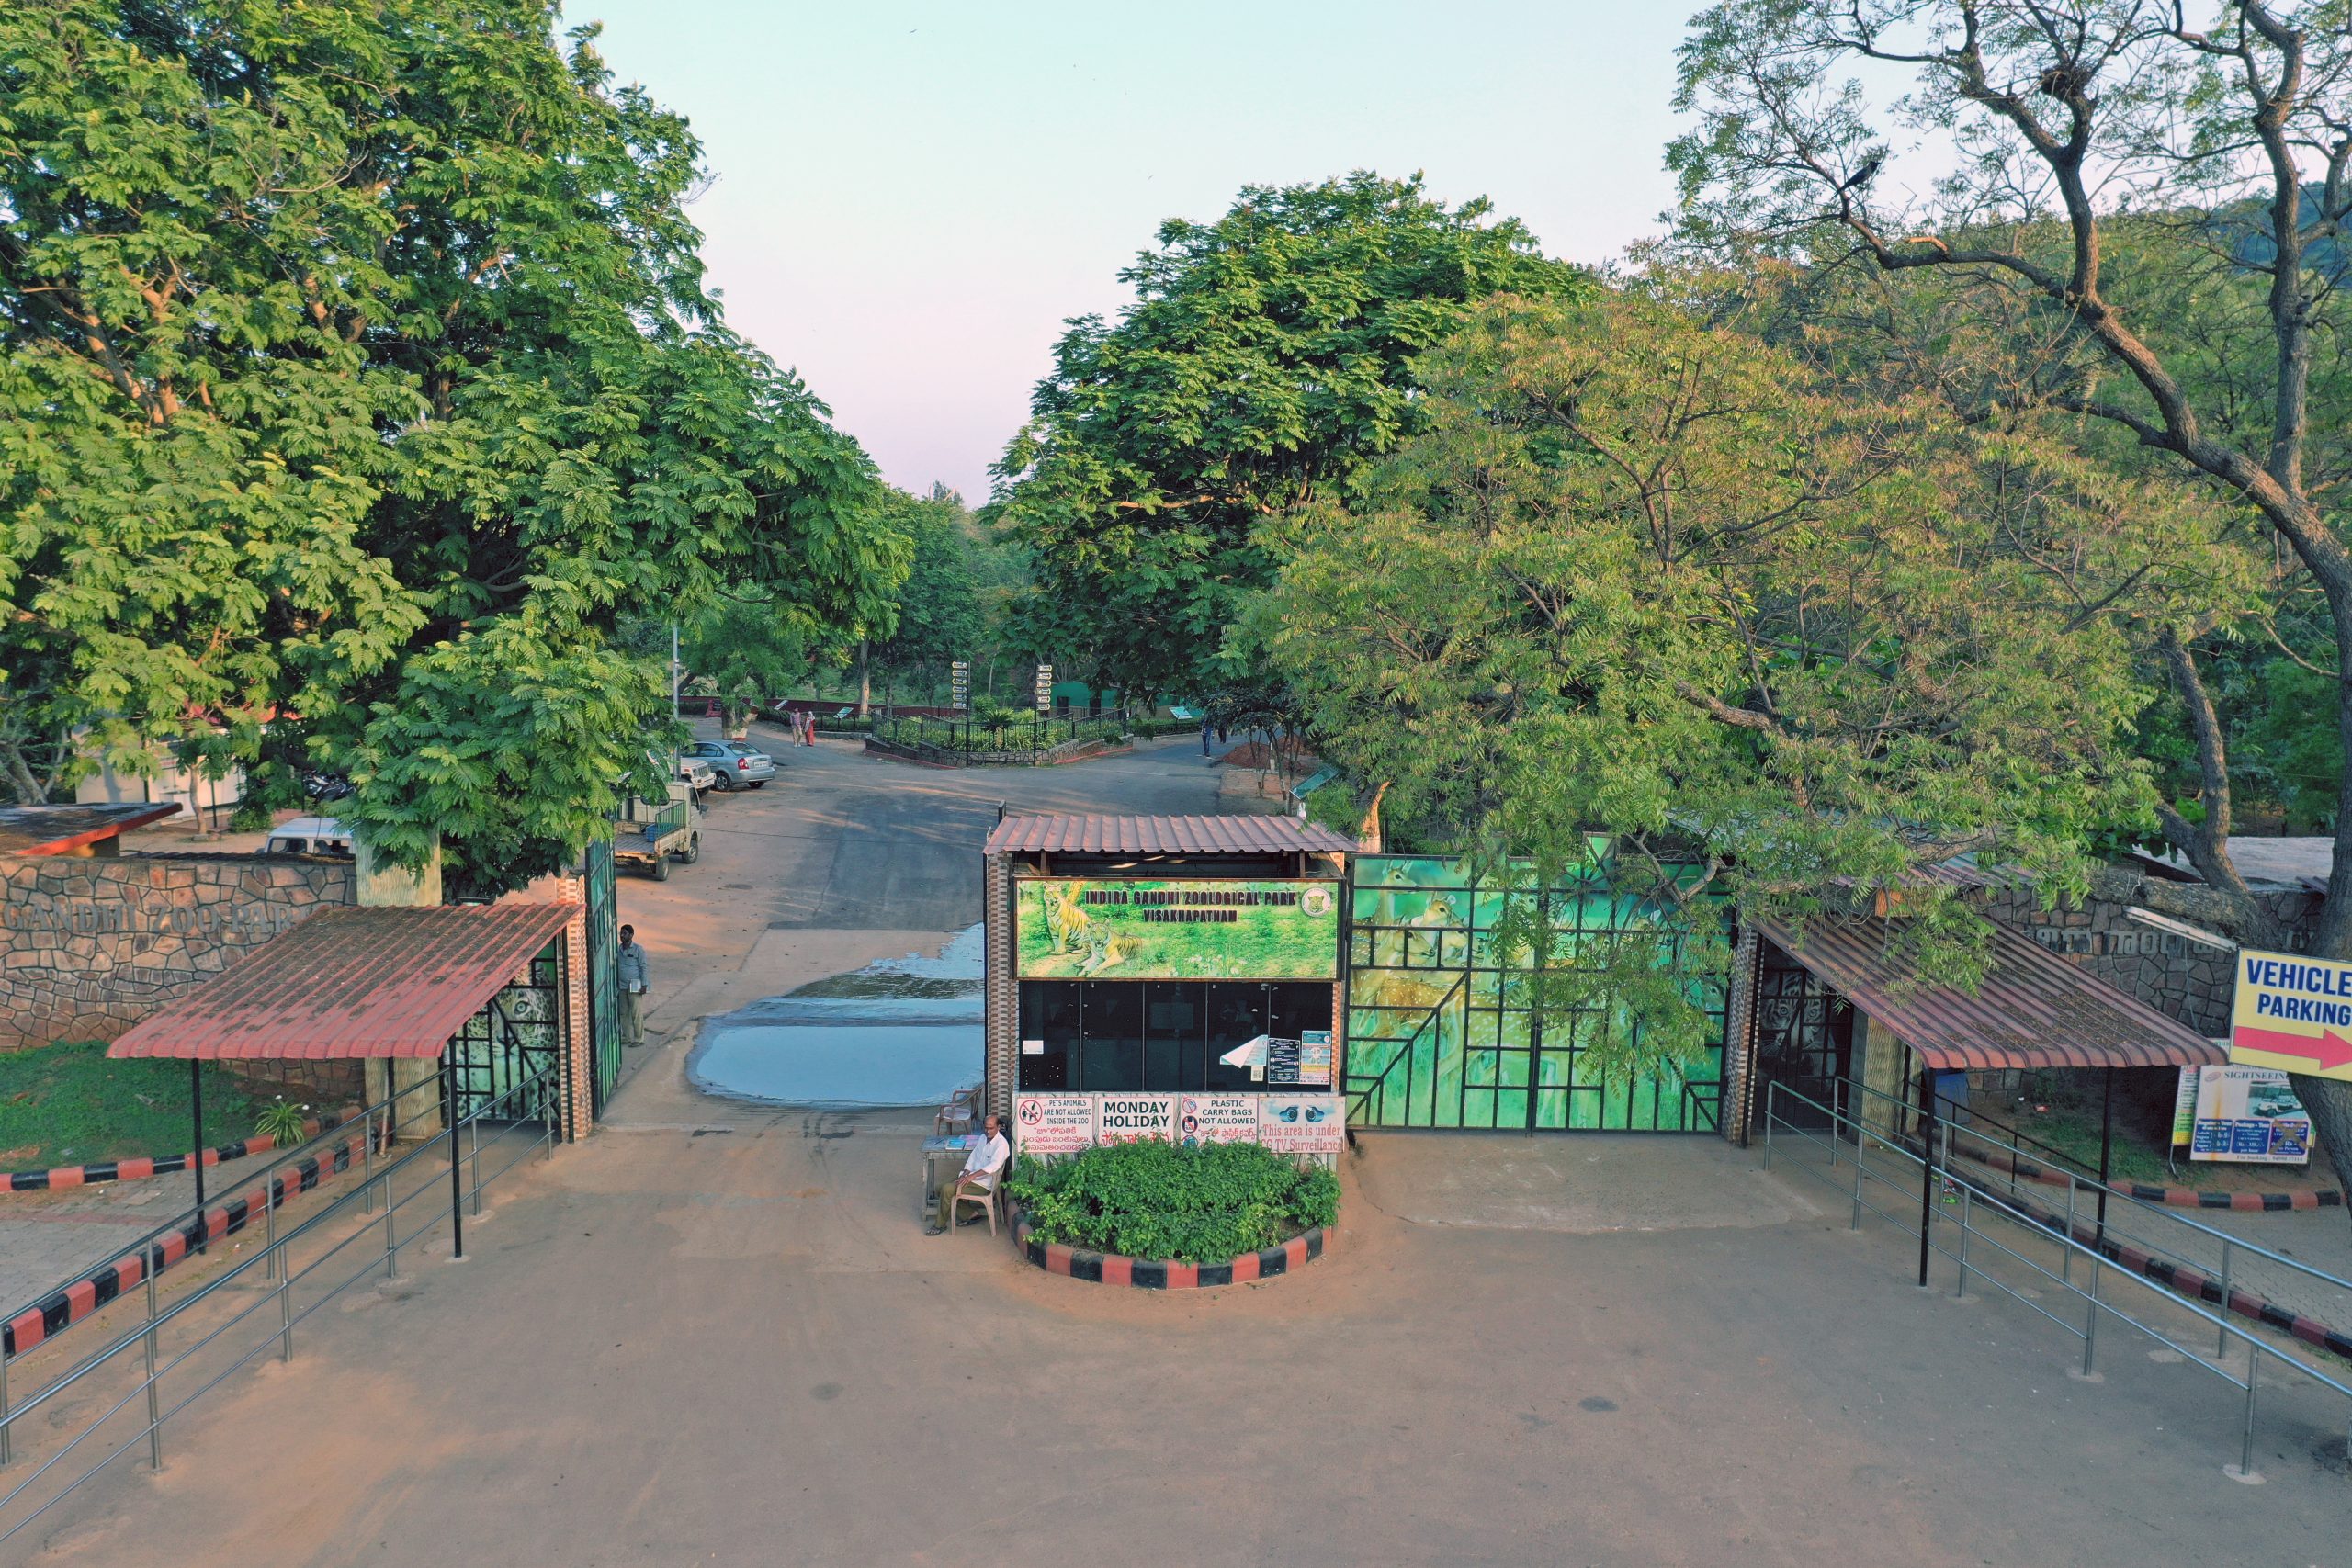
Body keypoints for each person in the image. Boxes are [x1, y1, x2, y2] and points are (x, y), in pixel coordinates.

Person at [930, 1113, 1009, 1234]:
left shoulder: (1001, 1145)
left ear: (998, 1127)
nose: (988, 1131)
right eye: (986, 1128)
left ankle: (940, 1225)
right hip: (972, 1177)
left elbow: (993, 1166)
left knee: (946, 1189)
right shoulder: (983, 1138)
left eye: (991, 1128)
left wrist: (972, 1176)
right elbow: (973, 1157)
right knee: (939, 1188)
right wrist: (965, 1173)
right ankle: (971, 1214)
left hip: (984, 1184)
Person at [616, 924, 649, 1046]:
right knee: (623, 1012)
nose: (622, 935)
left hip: (635, 985)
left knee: (636, 1013)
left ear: (631, 935)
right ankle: (626, 1037)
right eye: (621, 933)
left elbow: (643, 967)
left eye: (624, 933)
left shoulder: (638, 949)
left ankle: (639, 1039)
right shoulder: (619, 949)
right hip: (622, 985)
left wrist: (644, 985)